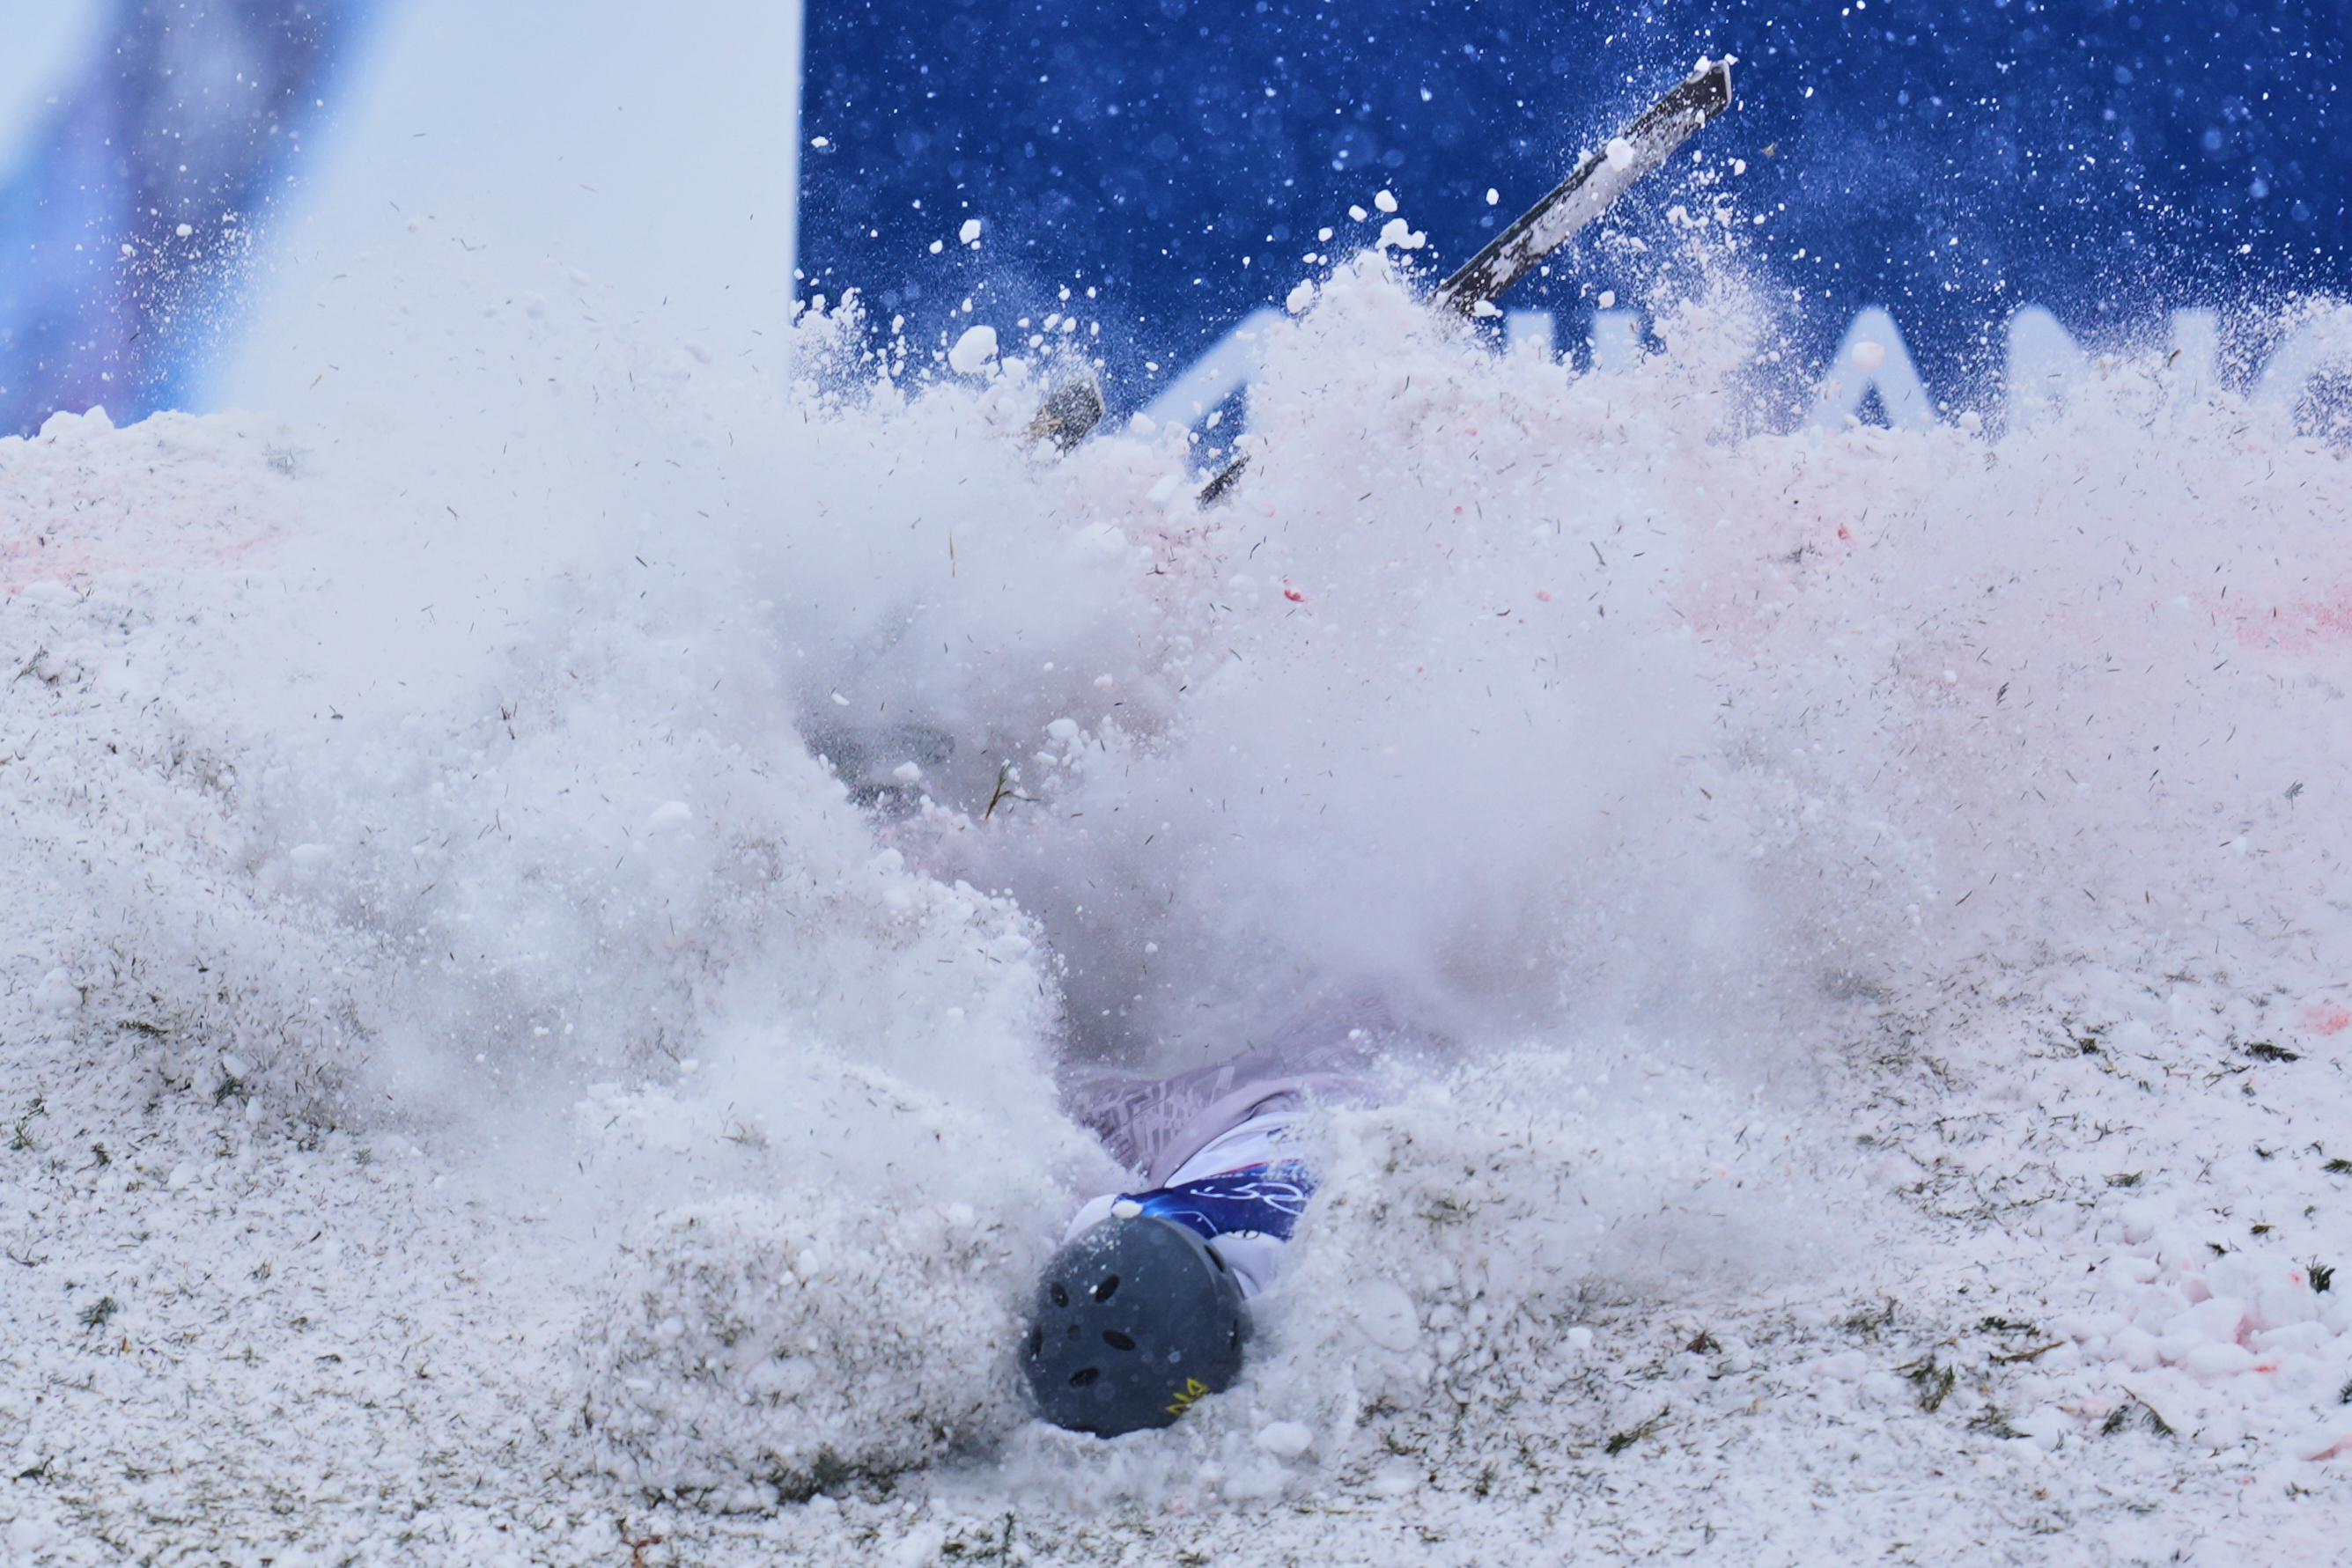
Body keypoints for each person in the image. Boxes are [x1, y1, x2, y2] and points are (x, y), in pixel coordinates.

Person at [1020, 995, 1435, 1436]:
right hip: (1221, 1118)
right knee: (1053, 1094)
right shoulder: (1147, 1221)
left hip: (1302, 1102)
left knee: (1389, 1009)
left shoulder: (1309, 1286)